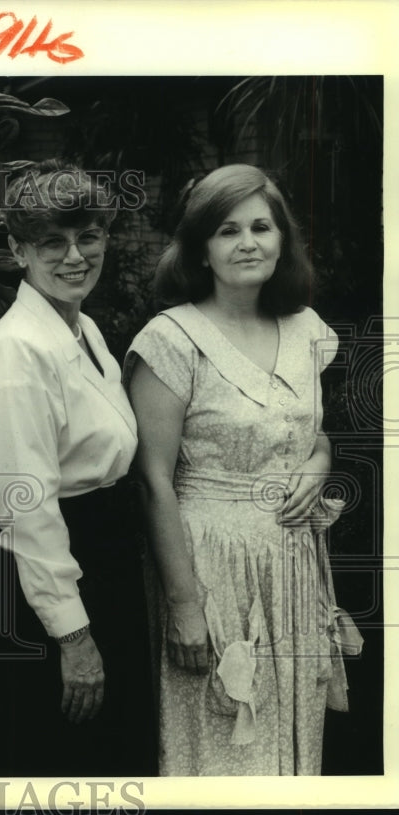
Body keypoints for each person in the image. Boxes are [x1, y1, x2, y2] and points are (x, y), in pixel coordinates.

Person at [124, 164, 358, 775]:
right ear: (201, 248)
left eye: (261, 226)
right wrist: (185, 607)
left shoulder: (306, 330)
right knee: (227, 741)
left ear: (283, 240)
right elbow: (153, 482)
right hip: (211, 566)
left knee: (293, 739)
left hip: (294, 566)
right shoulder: (172, 340)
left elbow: (299, 430)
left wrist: (321, 459)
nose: (248, 242)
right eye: (227, 231)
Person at [0, 160, 156, 776]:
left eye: (88, 237)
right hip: (57, 581)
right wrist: (73, 637)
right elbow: (27, 509)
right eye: (52, 241)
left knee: (112, 754)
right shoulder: (17, 348)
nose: (75, 256)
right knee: (62, 758)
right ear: (17, 249)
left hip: (105, 556)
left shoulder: (81, 327)